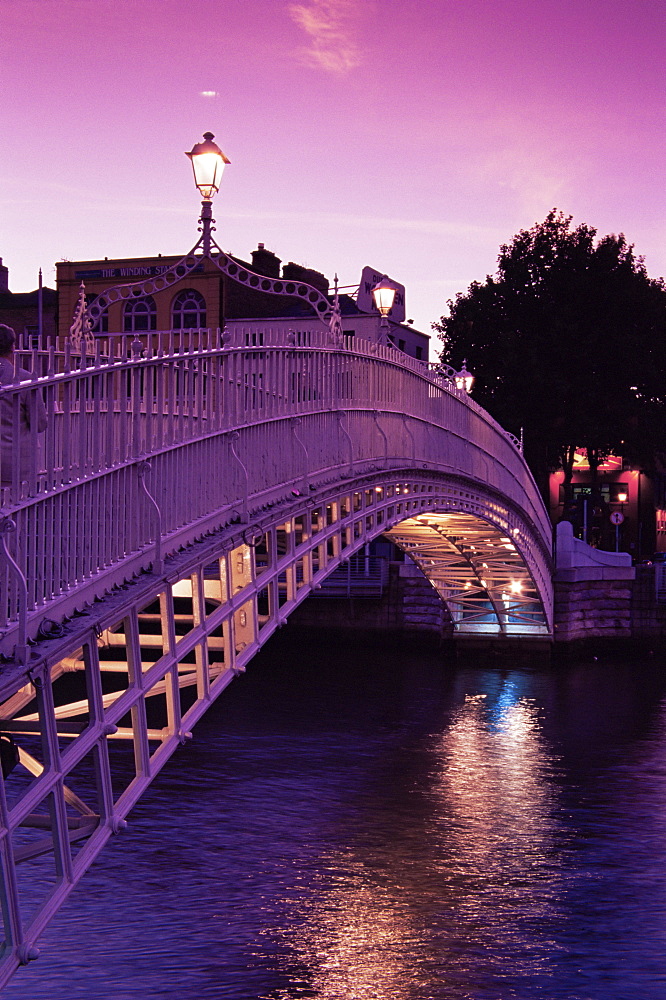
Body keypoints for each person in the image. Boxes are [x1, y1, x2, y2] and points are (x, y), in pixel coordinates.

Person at [0, 324, 48, 491]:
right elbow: (40, 423)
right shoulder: (24, 378)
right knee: (15, 510)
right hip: (17, 462)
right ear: (13, 347)